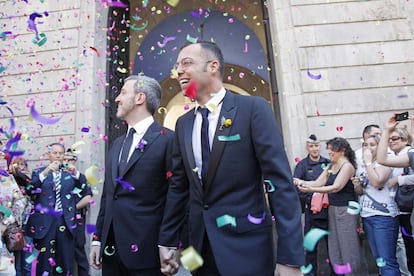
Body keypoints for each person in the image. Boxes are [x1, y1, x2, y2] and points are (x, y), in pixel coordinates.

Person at [158, 41, 304, 276]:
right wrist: (167, 240)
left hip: (248, 249)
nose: (179, 71)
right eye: (177, 66)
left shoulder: (252, 110)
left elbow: (280, 184)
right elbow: (179, 188)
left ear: (213, 66)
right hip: (200, 254)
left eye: (186, 63)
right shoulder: (183, 124)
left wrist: (290, 258)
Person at [89, 74, 175, 276]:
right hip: (111, 253)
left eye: (123, 92)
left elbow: (176, 196)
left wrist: (169, 242)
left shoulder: (168, 140)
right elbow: (109, 195)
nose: (117, 98)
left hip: (147, 253)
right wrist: (98, 238)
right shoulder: (117, 144)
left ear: (140, 98)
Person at [295, 137, 368, 275]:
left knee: (349, 247)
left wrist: (310, 190)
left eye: (332, 149)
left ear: (342, 151)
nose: (329, 152)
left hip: (346, 210)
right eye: (328, 149)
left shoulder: (347, 166)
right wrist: (300, 182)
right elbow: (318, 182)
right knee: (335, 248)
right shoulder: (330, 166)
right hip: (332, 210)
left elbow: (336, 187)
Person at [25, 143, 89, 275]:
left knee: (65, 262)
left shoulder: (70, 174)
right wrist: (46, 171)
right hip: (45, 223)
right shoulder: (39, 172)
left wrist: (75, 172)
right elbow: (30, 190)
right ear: (49, 155)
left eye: (61, 153)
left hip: (65, 221)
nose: (58, 156)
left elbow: (85, 189)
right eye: (55, 153)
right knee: (44, 263)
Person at [352, 134, 400, 275]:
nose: (368, 148)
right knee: (379, 260)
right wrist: (357, 185)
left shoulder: (385, 162)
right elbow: (362, 191)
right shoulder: (364, 166)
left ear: (380, 146)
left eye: (372, 145)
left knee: (387, 261)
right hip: (368, 215)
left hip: (384, 216)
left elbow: (377, 182)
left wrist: (368, 164)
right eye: (365, 145)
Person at [293, 134, 330, 276]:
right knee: (310, 247)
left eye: (316, 146)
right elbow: (296, 186)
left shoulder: (328, 163)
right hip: (310, 212)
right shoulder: (301, 166)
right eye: (311, 146)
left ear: (320, 146)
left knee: (331, 246)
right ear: (307, 148)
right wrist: (311, 199)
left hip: (327, 210)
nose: (314, 149)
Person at [385, 127, 414, 275]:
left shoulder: (409, 153)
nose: (391, 141)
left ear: (405, 139)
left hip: (409, 208)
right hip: (401, 208)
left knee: (410, 246)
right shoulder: (397, 155)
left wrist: (399, 179)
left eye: (395, 138)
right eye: (389, 139)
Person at [63, 149, 92, 276]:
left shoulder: (80, 177)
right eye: (65, 160)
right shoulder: (56, 176)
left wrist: (73, 209)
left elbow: (88, 197)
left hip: (76, 219)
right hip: (60, 220)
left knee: (79, 251)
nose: (68, 163)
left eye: (71, 160)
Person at [0, 152, 27, 275]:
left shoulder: (8, 179)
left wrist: (7, 221)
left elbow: (20, 201)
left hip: (4, 231)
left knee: (8, 272)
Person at [10, 157, 34, 276]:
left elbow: (27, 182)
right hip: (14, 228)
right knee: (16, 264)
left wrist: (17, 171)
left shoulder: (29, 181)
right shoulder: (9, 182)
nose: (19, 167)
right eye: (16, 164)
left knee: (28, 264)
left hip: (28, 227)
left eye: (22, 164)